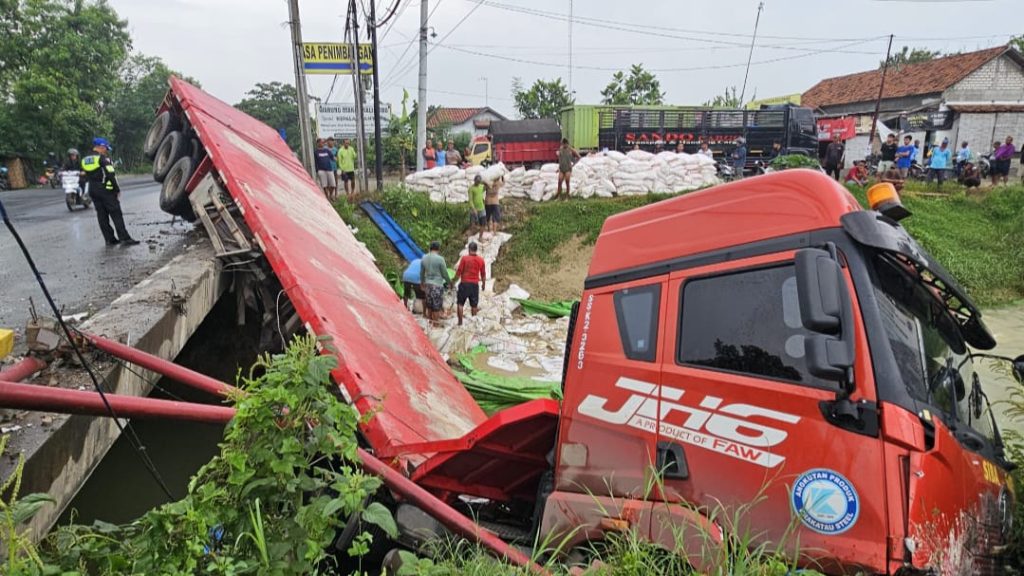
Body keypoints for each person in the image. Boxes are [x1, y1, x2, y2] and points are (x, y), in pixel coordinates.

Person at [81, 137, 139, 246]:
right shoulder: (102, 159)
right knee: (116, 213)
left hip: (92, 190)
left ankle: (109, 239)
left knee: (102, 215)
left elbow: (84, 175)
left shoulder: (85, 159)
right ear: (101, 147)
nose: (106, 150)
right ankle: (124, 238)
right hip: (105, 190)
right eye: (105, 148)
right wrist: (116, 189)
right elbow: (110, 175)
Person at [452, 241, 487, 326]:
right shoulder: (481, 260)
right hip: (474, 285)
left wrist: (452, 281)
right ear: (476, 249)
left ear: (469, 249)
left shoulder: (464, 259)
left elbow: (459, 271)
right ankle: (474, 323)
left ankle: (460, 323)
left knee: (460, 304)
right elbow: (483, 274)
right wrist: (483, 284)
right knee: (474, 305)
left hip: (464, 284)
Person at [419, 241, 450, 324]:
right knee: (436, 307)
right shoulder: (440, 259)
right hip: (437, 285)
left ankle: (430, 323)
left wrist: (422, 283)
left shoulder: (424, 258)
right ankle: (435, 324)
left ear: (430, 248)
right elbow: (444, 273)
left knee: (429, 305)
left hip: (428, 284)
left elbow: (421, 273)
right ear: (438, 249)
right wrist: (449, 282)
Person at [484, 175, 503, 239]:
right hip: (495, 202)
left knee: (488, 217)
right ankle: (494, 232)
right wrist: (502, 176)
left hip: (488, 202)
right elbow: (504, 182)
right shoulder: (498, 183)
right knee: (495, 218)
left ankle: (489, 230)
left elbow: (483, 186)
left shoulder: (488, 184)